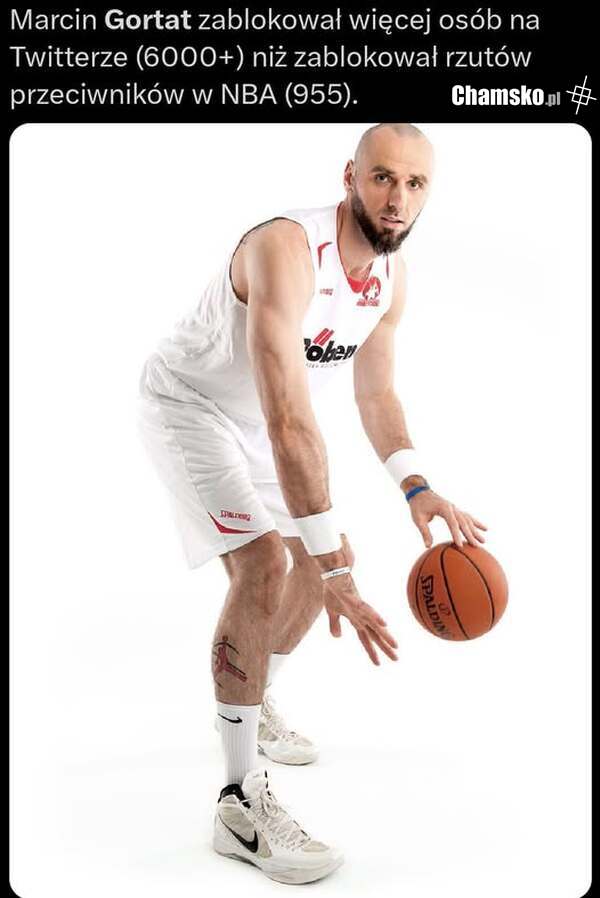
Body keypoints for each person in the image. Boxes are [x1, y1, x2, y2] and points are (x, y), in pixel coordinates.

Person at [137, 122, 487, 884]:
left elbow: (376, 393)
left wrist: (416, 485)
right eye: (383, 177)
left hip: (256, 422)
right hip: (189, 406)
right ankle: (238, 803)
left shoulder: (390, 279)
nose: (397, 199)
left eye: (416, 184)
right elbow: (291, 420)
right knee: (267, 563)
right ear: (350, 177)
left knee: (317, 557)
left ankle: (251, 697)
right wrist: (334, 571)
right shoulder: (286, 250)